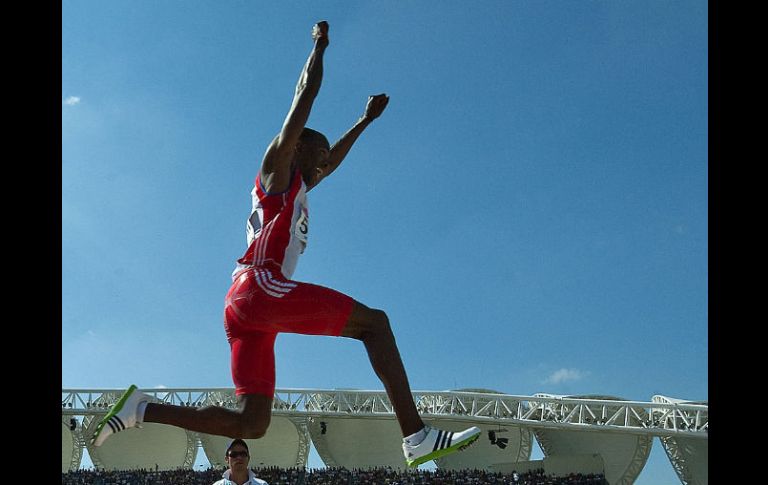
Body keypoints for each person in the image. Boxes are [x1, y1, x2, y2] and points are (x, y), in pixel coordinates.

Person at [90, 20, 480, 468]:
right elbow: (303, 98)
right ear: (298, 149)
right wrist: (320, 47)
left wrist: (364, 122)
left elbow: (331, 166)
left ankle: (141, 409)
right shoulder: (277, 170)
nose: (324, 164)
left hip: (247, 307)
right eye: (321, 154)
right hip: (259, 288)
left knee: (253, 423)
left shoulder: (296, 188)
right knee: (376, 324)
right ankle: (417, 436)